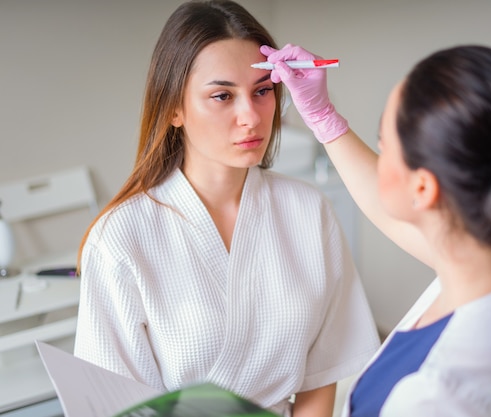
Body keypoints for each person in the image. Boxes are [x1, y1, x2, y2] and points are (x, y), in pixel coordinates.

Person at [261, 43, 491, 416]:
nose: (379, 154)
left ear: (423, 189)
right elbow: (403, 220)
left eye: (384, 144)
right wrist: (323, 117)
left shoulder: (439, 394)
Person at [73, 2, 381, 416]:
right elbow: (112, 404)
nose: (250, 116)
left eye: (262, 91)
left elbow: (321, 375)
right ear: (174, 109)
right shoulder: (120, 238)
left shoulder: (309, 211)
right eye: (222, 95)